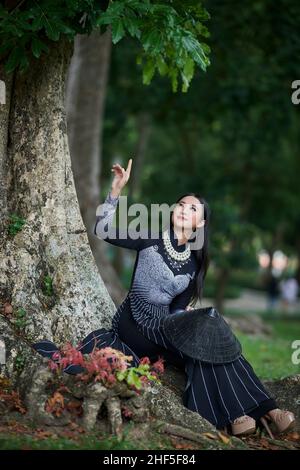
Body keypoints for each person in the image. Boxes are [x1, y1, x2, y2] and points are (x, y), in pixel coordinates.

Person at [33, 158, 295, 438]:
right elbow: (103, 230)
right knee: (206, 337)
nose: (183, 209)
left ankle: (263, 411)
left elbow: (177, 309)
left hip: (164, 327)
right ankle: (243, 414)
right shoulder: (150, 237)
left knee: (210, 340)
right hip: (135, 323)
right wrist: (116, 190)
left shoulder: (195, 264)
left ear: (201, 223)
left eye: (192, 208)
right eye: (181, 204)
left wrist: (190, 320)